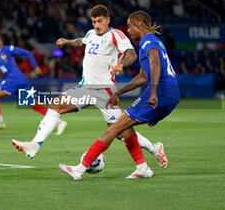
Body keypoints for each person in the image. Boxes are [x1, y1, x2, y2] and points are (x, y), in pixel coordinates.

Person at [11, 5, 167, 169]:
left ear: (107, 20)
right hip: (85, 87)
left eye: (100, 21)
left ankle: (153, 149)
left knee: (121, 132)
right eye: (94, 22)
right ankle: (35, 144)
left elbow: (131, 53)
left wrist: (121, 64)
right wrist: (67, 41)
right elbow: (82, 41)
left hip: (105, 91)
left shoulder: (116, 35)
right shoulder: (91, 34)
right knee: (56, 104)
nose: (97, 25)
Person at [59, 10, 180, 180]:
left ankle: (80, 168)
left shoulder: (147, 41)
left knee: (115, 127)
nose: (129, 31)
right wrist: (119, 92)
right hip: (172, 94)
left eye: (130, 27)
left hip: (160, 92)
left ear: (139, 24)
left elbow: (155, 61)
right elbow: (142, 77)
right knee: (123, 127)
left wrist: (153, 92)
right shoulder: (156, 41)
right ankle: (142, 167)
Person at [0, 34, 67, 134]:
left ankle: (0, 122)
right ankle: (59, 122)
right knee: (33, 105)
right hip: (17, 79)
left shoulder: (7, 49)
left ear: (1, 42)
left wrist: (36, 67)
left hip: (14, 78)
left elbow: (27, 53)